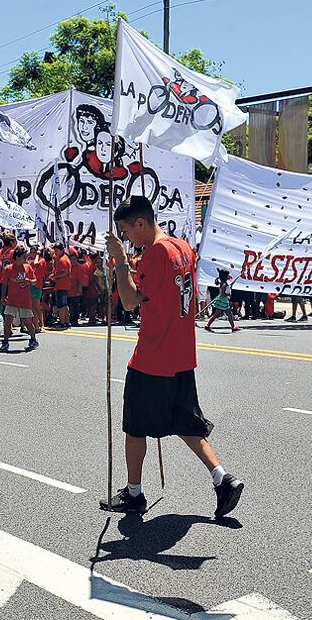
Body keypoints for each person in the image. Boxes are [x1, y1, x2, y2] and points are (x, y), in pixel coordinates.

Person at [105, 196, 244, 518]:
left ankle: (134, 494)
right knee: (186, 423)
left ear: (141, 224)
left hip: (153, 355)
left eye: (126, 232)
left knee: (135, 428)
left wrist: (121, 261)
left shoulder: (156, 253)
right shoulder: (181, 246)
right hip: (182, 353)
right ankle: (223, 478)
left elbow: (128, 301)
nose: (127, 239)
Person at [0, 246, 39, 353]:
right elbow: (4, 284)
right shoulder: (8, 269)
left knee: (27, 322)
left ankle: (33, 340)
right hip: (11, 299)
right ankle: (5, 342)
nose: (25, 258)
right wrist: (3, 298)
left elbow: (35, 281)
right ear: (17, 257)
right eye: (23, 257)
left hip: (25, 300)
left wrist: (29, 281)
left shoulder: (27, 268)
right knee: (8, 322)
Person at [49, 243, 72, 329]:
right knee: (64, 304)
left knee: (61, 305)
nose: (55, 252)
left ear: (61, 250)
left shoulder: (63, 260)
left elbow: (65, 272)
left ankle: (62, 322)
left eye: (56, 251)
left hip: (62, 285)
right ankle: (66, 321)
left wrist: (54, 276)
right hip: (63, 284)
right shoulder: (61, 258)